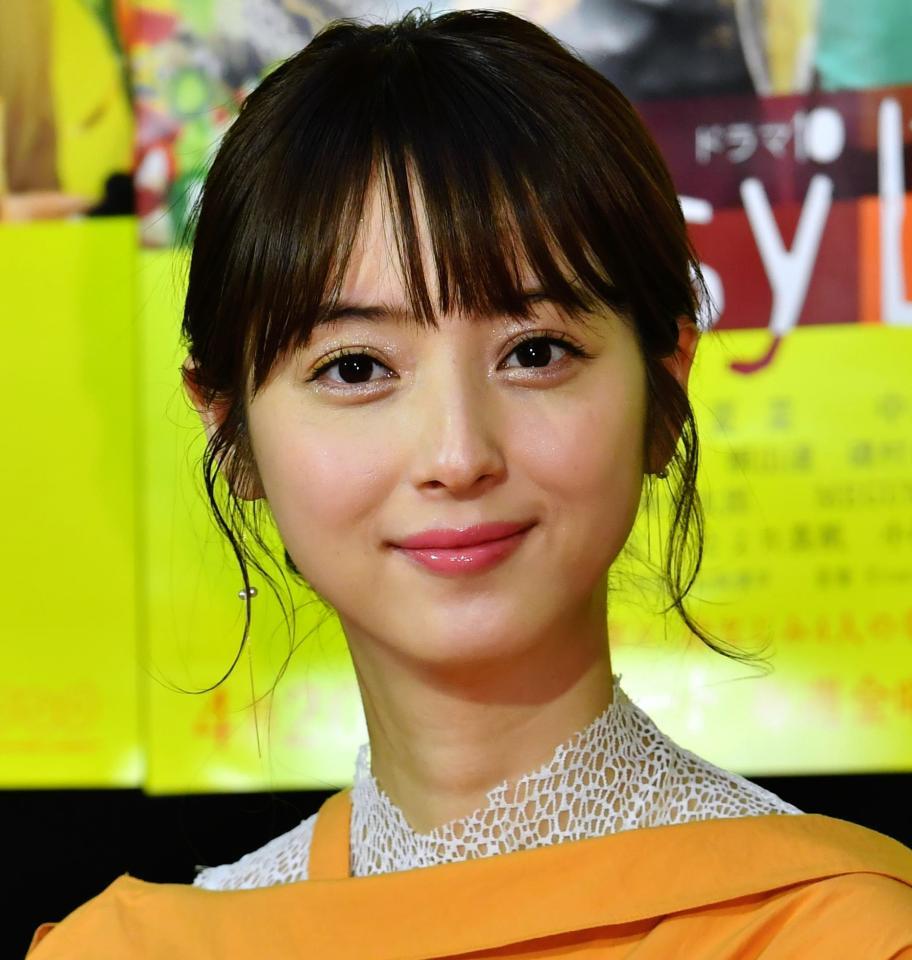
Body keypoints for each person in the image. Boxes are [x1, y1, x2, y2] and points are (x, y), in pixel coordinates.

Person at [28, 8, 912, 957]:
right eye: (356, 367)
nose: (457, 455)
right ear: (229, 430)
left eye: (534, 352)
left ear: (665, 388)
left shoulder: (841, 937)